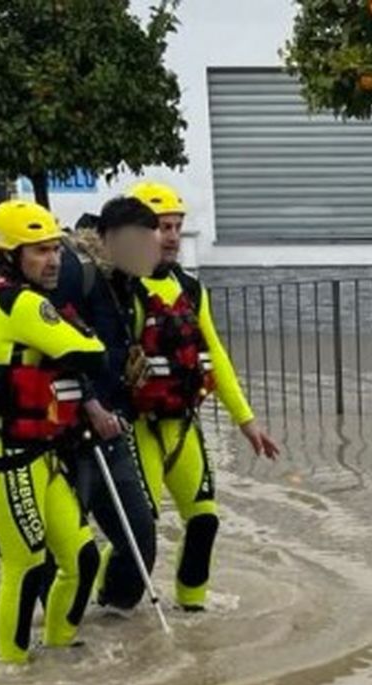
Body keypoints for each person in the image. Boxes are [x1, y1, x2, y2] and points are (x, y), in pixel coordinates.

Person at [0, 199, 117, 663]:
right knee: (23, 567)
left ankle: (61, 648)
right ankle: (14, 678)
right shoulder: (16, 303)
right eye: (39, 251)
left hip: (39, 450)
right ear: (9, 255)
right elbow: (91, 354)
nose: (54, 260)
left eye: (55, 250)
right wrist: (78, 333)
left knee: (81, 558)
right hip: (5, 454)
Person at [123, 181, 280, 611]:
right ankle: (109, 602)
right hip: (139, 429)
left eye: (177, 226)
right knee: (138, 530)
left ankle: (192, 608)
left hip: (182, 424)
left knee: (205, 519)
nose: (172, 236)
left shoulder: (190, 289)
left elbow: (218, 357)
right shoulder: (123, 291)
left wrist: (247, 423)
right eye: (161, 227)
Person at [49, 199, 164, 616]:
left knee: (140, 539)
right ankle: (53, 644)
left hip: (113, 432)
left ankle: (114, 621)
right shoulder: (72, 275)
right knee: (65, 554)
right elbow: (51, 341)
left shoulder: (128, 283)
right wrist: (90, 400)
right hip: (65, 437)